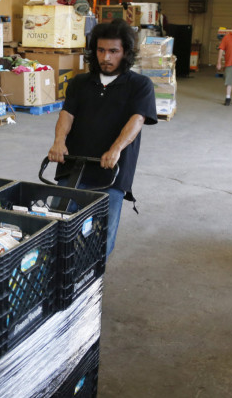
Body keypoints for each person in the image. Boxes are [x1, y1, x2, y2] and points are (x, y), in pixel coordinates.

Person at [47, 19, 157, 258]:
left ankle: (89, 283)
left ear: (125, 53)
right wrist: (59, 141)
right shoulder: (80, 83)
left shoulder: (140, 85)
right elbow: (67, 114)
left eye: (113, 51)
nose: (106, 57)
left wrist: (116, 149)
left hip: (111, 174)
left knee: (100, 240)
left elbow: (137, 119)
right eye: (101, 50)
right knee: (55, 231)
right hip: (72, 168)